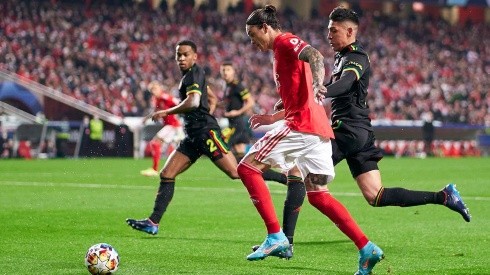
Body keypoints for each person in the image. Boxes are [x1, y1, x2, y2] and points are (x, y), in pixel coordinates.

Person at [257, 6, 471, 261]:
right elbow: (335, 85)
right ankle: (444, 196)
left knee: (297, 173)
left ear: (349, 31)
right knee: (376, 195)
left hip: (345, 130)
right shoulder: (340, 57)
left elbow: (347, 82)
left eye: (334, 31)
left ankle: (285, 242)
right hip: (360, 133)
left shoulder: (357, 57)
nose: (329, 35)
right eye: (328, 30)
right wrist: (309, 95)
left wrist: (320, 92)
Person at [239, 6, 383, 275]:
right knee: (318, 196)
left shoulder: (284, 41)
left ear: (265, 27)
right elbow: (301, 97)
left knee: (246, 168)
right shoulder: (278, 52)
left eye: (252, 35)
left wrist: (319, 83)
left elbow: (314, 55)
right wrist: (273, 118)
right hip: (319, 132)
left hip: (302, 127)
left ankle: (276, 236)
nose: (252, 41)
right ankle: (366, 248)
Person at [126, 40, 241, 235]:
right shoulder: (191, 75)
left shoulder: (194, 74)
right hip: (192, 136)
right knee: (167, 174)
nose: (181, 58)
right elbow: (211, 99)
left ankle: (284, 178)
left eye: (185, 54)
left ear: (195, 56)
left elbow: (194, 102)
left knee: (237, 173)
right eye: (178, 54)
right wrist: (206, 114)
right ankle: (153, 222)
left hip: (205, 134)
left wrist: (167, 112)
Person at [219, 61, 287, 185]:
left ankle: (277, 177)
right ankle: (279, 177)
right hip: (233, 124)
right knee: (240, 159)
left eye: (228, 70)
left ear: (233, 71)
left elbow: (250, 102)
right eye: (223, 70)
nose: (225, 73)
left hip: (237, 125)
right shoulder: (227, 87)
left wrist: (237, 112)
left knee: (222, 148)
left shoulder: (237, 86)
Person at [140, 80, 184, 177]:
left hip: (173, 126)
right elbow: (156, 111)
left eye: (155, 89)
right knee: (161, 146)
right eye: (152, 90)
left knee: (155, 143)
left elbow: (180, 103)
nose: (153, 92)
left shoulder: (165, 97)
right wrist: (146, 118)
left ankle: (155, 169)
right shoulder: (157, 99)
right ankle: (159, 169)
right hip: (170, 126)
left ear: (159, 88)